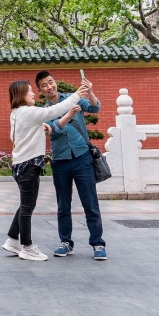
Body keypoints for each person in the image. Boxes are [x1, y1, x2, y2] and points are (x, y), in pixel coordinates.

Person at [3, 79, 89, 261]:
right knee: (27, 208)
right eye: (29, 91)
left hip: (20, 165)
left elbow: (14, 136)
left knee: (26, 205)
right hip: (29, 165)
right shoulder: (29, 112)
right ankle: (27, 247)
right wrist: (76, 96)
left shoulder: (16, 113)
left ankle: (12, 240)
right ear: (22, 94)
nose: (33, 93)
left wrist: (42, 127)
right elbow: (54, 110)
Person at [35, 70, 107, 260]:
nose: (49, 87)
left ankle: (98, 243)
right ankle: (66, 242)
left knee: (90, 202)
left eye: (50, 82)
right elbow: (54, 130)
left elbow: (94, 108)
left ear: (55, 82)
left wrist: (89, 91)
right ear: (40, 90)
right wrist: (68, 114)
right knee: (63, 205)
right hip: (60, 160)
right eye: (44, 85)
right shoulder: (43, 111)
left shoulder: (72, 98)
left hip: (82, 157)